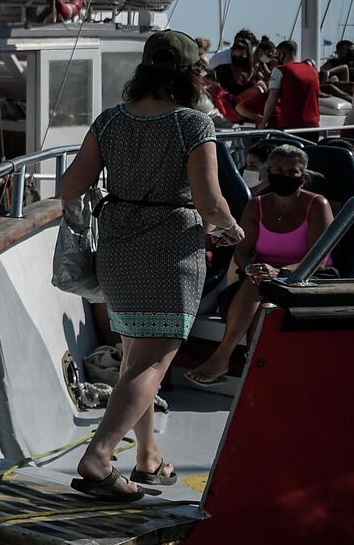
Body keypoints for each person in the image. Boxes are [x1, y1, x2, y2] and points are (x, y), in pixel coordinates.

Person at [59, 30, 243, 500]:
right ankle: (99, 457)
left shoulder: (109, 122)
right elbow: (210, 201)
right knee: (153, 364)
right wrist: (232, 231)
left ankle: (148, 458)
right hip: (169, 253)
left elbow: (71, 186)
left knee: (134, 361)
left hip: (118, 253)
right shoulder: (191, 124)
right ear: (189, 76)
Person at [185, 144, 331, 385]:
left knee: (265, 302)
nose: (283, 176)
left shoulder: (317, 205)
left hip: (308, 277)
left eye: (290, 172)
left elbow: (320, 259)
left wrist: (279, 272)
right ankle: (243, 367)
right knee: (259, 290)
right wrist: (249, 267)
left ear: (302, 176)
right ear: (268, 171)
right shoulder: (257, 205)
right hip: (261, 279)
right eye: (277, 170)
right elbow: (242, 251)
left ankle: (232, 362)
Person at [263, 40, 321, 131]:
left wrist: (263, 123)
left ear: (281, 54)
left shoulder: (280, 70)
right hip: (313, 126)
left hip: (291, 126)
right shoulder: (312, 70)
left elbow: (272, 100)